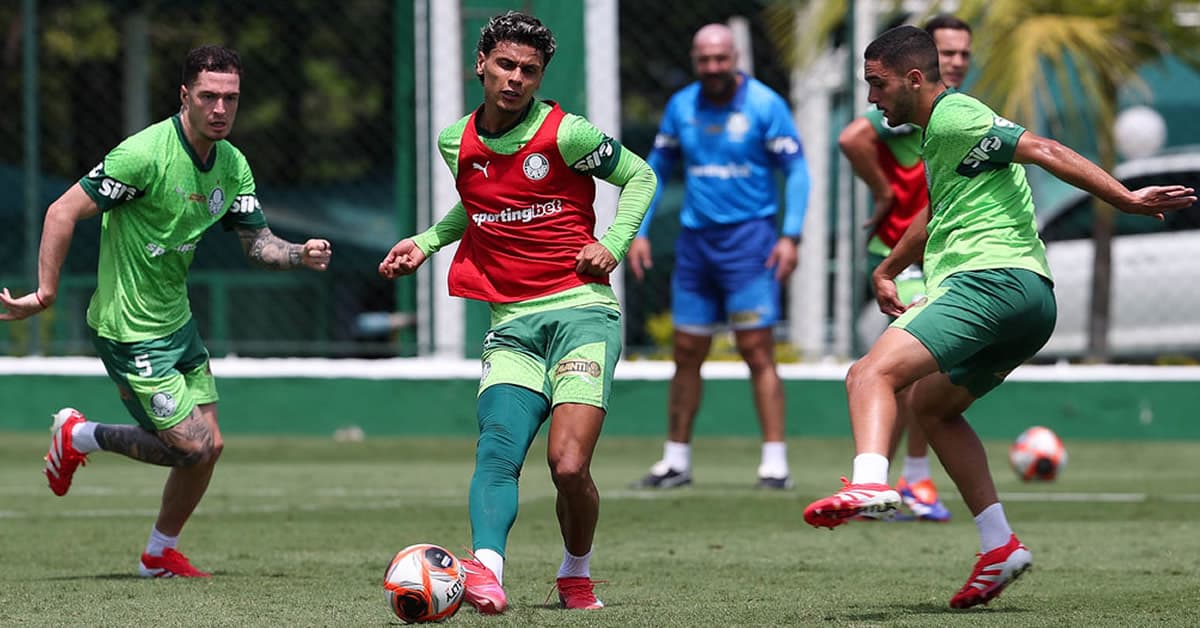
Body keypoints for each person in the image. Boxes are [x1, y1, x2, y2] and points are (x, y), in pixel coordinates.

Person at [802, 25, 1194, 608]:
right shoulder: (943, 136)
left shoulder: (957, 115)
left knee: (869, 375)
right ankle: (998, 546)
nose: (871, 98)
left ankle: (868, 482)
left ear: (913, 79)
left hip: (989, 281)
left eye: (876, 84)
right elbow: (936, 214)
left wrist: (1127, 199)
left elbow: (1046, 150)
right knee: (932, 408)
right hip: (1030, 301)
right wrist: (886, 271)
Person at [0, 45, 333, 577]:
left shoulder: (231, 162)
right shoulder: (145, 154)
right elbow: (60, 211)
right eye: (209, 97)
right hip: (129, 331)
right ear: (185, 96)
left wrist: (298, 253)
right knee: (190, 447)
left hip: (177, 326)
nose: (220, 108)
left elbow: (257, 243)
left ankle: (158, 553)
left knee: (211, 446)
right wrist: (44, 293)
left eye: (231, 98)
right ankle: (78, 435)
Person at [377, 12, 655, 613]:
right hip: (512, 326)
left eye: (529, 70)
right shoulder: (456, 140)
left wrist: (613, 243)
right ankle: (487, 573)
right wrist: (426, 242)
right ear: (481, 64)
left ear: (540, 77)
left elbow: (640, 175)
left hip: (581, 314)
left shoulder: (568, 134)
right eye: (505, 65)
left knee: (567, 464)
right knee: (498, 449)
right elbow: (478, 206)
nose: (515, 78)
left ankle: (575, 571)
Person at [627, 23, 810, 490]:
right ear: (695, 61)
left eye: (720, 59)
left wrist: (790, 235)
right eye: (704, 60)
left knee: (756, 350)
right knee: (687, 351)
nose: (712, 68)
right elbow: (656, 170)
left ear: (734, 59)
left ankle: (774, 464)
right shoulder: (681, 106)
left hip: (750, 245)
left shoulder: (766, 105)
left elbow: (797, 169)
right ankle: (676, 461)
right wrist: (640, 230)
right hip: (695, 246)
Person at [836, 15, 973, 521]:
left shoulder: (957, 115)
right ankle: (901, 481)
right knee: (903, 370)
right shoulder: (906, 107)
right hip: (905, 256)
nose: (956, 61)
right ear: (921, 64)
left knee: (914, 372)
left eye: (963, 54)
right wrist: (886, 191)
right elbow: (853, 136)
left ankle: (897, 479)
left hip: (945, 257)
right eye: (948, 52)